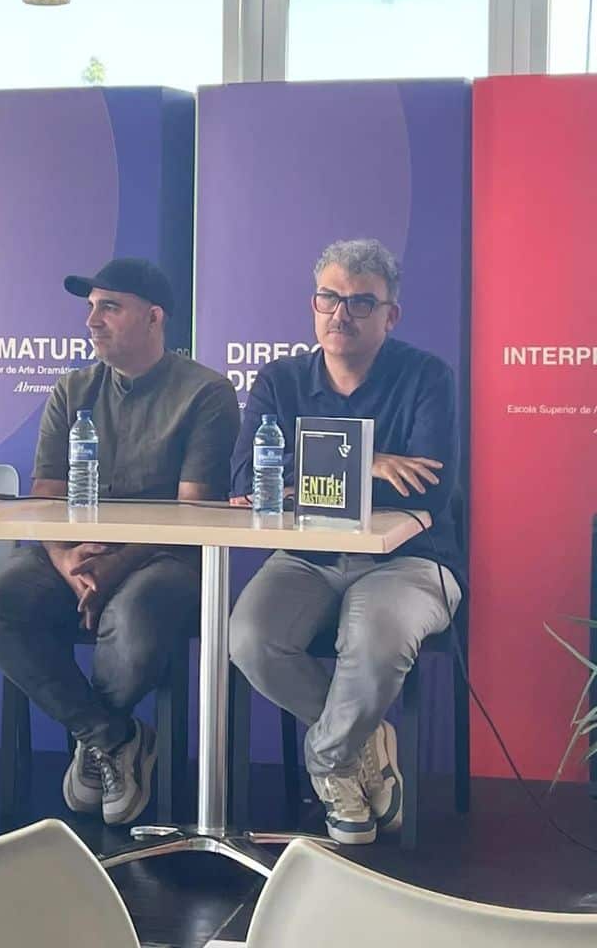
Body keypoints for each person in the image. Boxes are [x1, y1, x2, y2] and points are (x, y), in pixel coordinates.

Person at [0, 258, 240, 825]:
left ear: (154, 318)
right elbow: (46, 497)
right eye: (90, 308)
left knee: (137, 615)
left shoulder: (206, 392)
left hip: (162, 559)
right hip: (72, 552)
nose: (93, 320)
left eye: (109, 307)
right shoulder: (72, 389)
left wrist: (113, 568)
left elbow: (193, 512)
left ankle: (98, 746)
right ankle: (112, 738)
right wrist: (69, 562)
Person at [228, 238, 463, 845]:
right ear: (314, 305)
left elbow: (426, 494)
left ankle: (333, 763)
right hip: (307, 556)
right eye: (329, 298)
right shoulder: (279, 381)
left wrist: (319, 470)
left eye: (361, 302)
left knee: (375, 638)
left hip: (410, 561)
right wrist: (374, 463)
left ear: (391, 315)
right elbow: (247, 483)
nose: (342, 314)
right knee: (251, 638)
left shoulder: (426, 376)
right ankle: (367, 745)